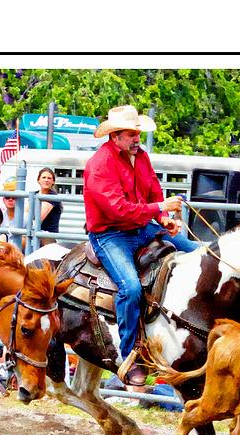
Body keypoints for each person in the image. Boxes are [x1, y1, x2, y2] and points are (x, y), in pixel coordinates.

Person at [83, 105, 200, 385]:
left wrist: (163, 218)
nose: (137, 138)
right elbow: (117, 210)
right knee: (131, 287)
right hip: (110, 234)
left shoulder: (141, 157)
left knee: (199, 254)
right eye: (132, 134)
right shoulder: (99, 165)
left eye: (138, 133)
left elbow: (152, 191)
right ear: (115, 136)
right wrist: (158, 208)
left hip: (142, 226)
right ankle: (129, 356)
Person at [34, 167, 63, 246]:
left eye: (49, 178)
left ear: (53, 181)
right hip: (34, 233)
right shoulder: (34, 194)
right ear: (38, 180)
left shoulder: (53, 197)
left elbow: (39, 217)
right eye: (43, 177)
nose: (46, 180)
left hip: (48, 237)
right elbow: (26, 215)